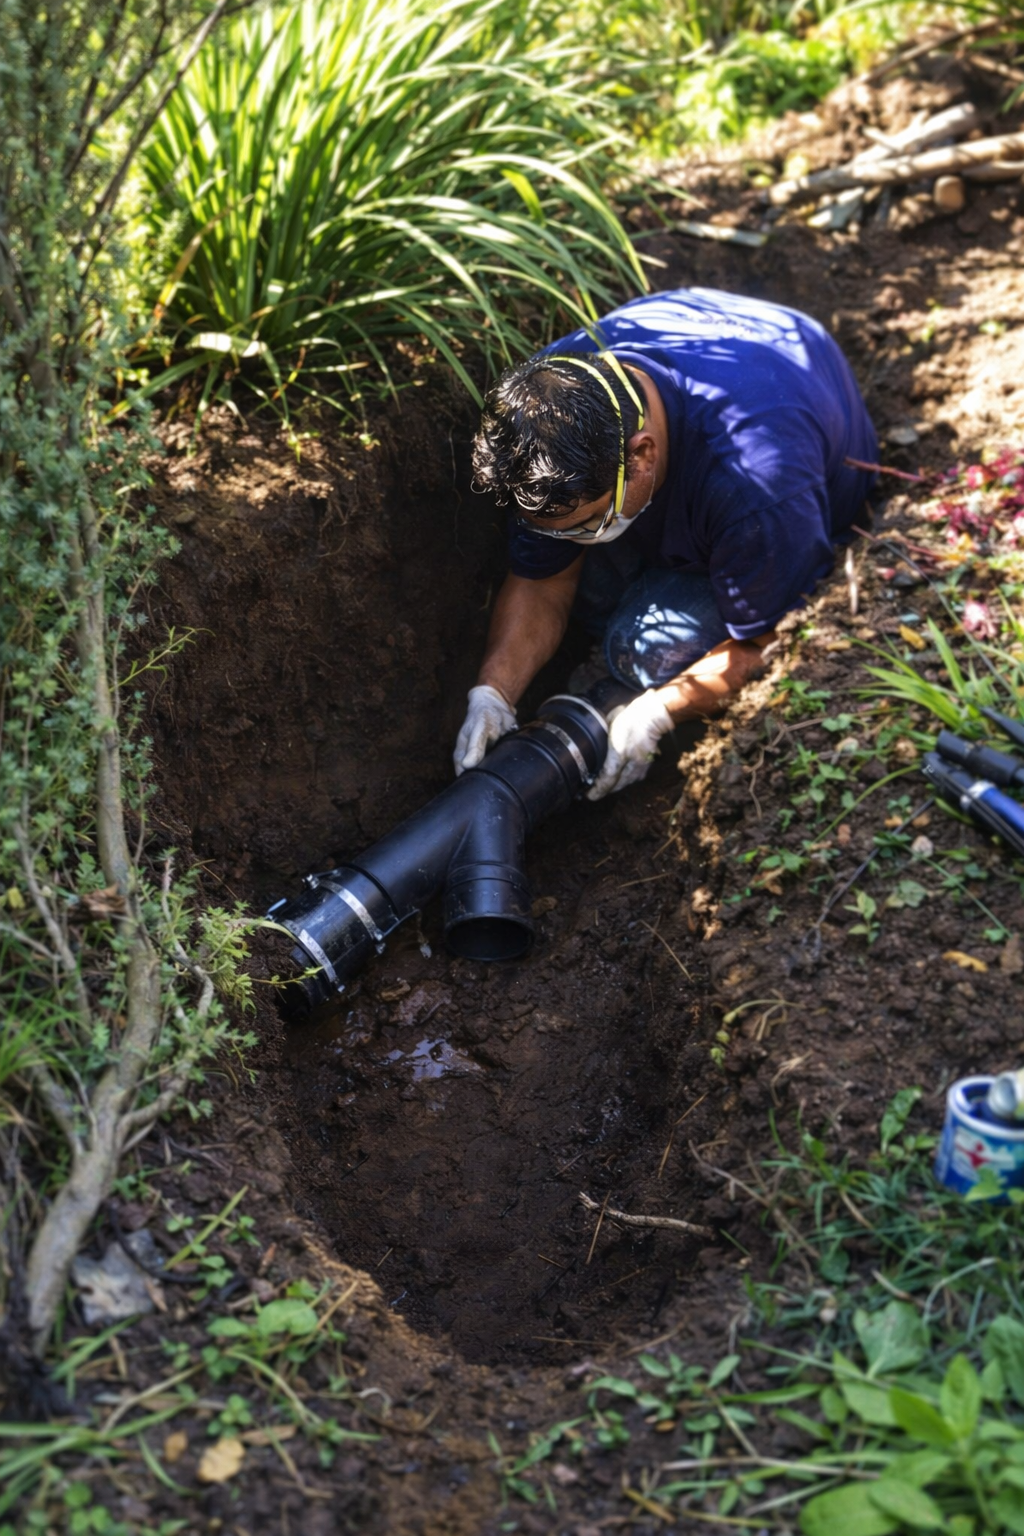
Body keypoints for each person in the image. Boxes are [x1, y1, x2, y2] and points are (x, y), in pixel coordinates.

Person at [454, 286, 878, 799]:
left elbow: (772, 640)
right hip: (712, 330)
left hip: (786, 401)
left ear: (641, 456)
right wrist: (493, 691)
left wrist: (662, 709)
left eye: (587, 521)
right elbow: (542, 579)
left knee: (645, 648)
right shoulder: (547, 406)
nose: (570, 540)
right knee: (587, 584)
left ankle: (626, 654)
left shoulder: (759, 482)